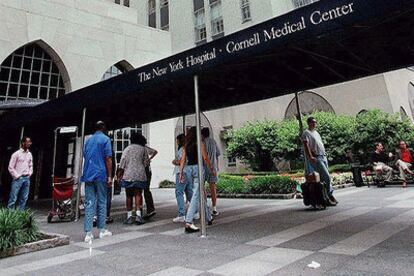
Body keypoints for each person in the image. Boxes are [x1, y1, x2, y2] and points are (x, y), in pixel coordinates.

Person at [81, 121, 113, 243]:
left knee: (89, 202)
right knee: (102, 201)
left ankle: (88, 233)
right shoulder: (105, 139)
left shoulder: (88, 141)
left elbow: (85, 156)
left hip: (88, 174)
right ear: (103, 128)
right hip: (100, 174)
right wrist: (110, 176)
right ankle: (102, 230)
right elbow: (108, 158)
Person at [179, 127, 215, 233]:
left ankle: (208, 217)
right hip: (198, 168)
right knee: (196, 194)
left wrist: (181, 173)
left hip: (189, 169)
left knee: (199, 193)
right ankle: (189, 222)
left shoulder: (186, 145)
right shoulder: (200, 143)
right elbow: (205, 157)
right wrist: (211, 168)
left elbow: (182, 160)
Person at [302, 117, 338, 205]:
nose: (314, 124)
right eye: (313, 122)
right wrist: (310, 157)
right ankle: (329, 195)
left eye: (315, 122)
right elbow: (306, 146)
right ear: (309, 123)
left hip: (322, 156)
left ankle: (325, 196)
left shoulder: (316, 133)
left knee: (324, 178)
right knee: (326, 177)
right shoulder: (306, 133)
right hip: (316, 157)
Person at [117, 133, 150, 225]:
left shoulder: (127, 149)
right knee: (138, 194)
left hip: (128, 175)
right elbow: (146, 162)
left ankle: (129, 216)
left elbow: (122, 163)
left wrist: (119, 176)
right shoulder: (143, 149)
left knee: (128, 195)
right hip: (140, 174)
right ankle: (138, 216)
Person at [7, 137, 33, 210]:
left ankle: (20, 215)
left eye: (30, 142)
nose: (29, 144)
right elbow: (10, 167)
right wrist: (17, 176)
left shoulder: (30, 154)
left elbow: (31, 165)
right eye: (27, 142)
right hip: (18, 179)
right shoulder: (16, 154)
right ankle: (10, 216)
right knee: (13, 198)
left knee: (24, 198)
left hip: (26, 178)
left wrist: (29, 174)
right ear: (23, 143)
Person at [172, 134, 193, 222]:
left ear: (180, 141)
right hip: (188, 172)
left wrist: (175, 161)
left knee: (179, 193)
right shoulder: (188, 148)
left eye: (177, 140)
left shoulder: (182, 149)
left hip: (182, 172)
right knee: (189, 193)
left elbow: (181, 161)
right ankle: (194, 212)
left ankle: (181, 214)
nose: (176, 142)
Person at [201, 128, 221, 216]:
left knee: (202, 187)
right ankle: (214, 208)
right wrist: (215, 167)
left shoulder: (202, 143)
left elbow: (203, 157)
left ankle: (205, 207)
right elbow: (218, 154)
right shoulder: (214, 141)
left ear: (202, 134)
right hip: (213, 167)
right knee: (213, 188)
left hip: (203, 167)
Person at [143, 143, 158, 219]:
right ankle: (150, 208)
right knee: (146, 190)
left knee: (141, 190)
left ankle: (148, 209)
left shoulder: (143, 148)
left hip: (144, 170)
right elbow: (155, 151)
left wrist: (149, 159)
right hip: (148, 171)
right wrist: (150, 158)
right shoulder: (145, 148)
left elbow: (155, 151)